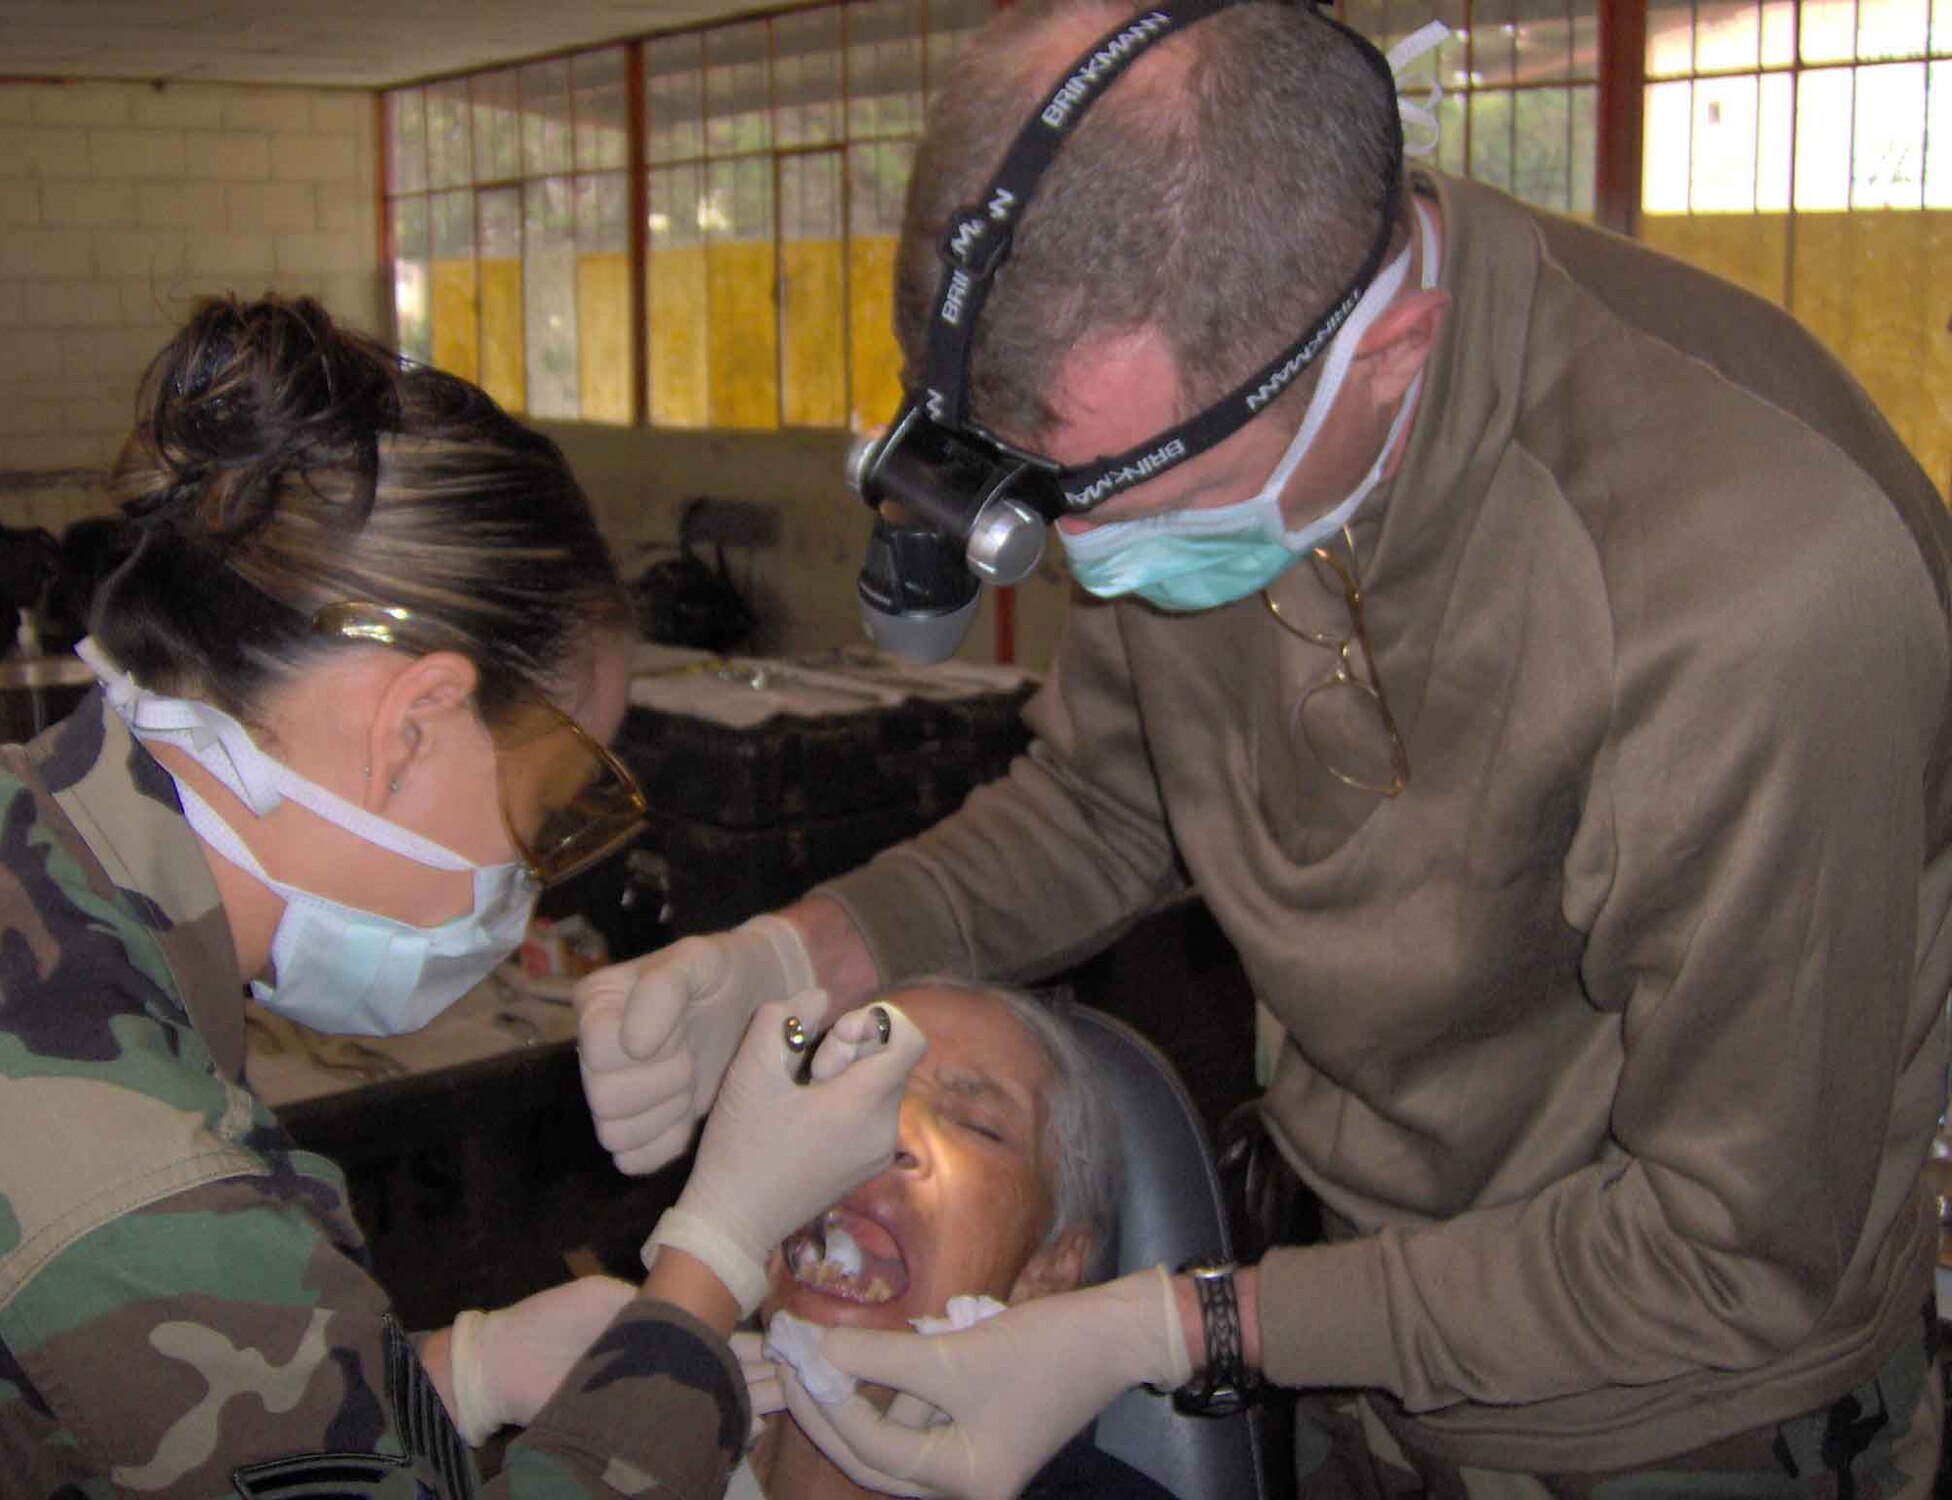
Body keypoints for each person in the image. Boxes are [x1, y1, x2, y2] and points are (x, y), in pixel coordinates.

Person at [576, 0, 1952, 1493]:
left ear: (1391, 350)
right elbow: (1111, 801)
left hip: (1674, 1412)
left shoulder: (1751, 591)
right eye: (1054, 508)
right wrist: (795, 959)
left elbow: (1733, 1251)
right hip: (1357, 1338)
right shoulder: (1214, 421)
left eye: (1138, 511)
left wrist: (1170, 1332)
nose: (1095, 574)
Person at [0, 295, 930, 1499]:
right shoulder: (136, 1184)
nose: (528, 887)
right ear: (410, 727)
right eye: (545, 804)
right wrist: (708, 1264)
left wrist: (445, 1377)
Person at [713, 978, 1174, 1500]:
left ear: (1049, 1267)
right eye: (850, 1089)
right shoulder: (629, 1427)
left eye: (976, 1125)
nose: (886, 1134)